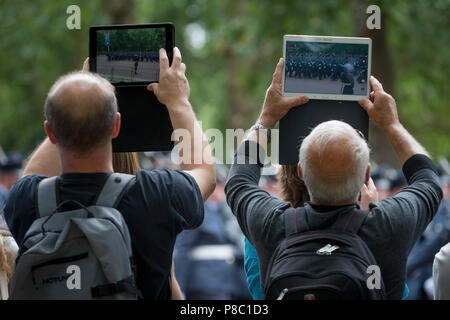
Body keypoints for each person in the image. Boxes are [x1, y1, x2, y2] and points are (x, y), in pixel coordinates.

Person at [3, 47, 216, 299]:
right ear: (116, 126)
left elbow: (32, 175)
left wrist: (78, 94)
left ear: (50, 132)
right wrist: (178, 101)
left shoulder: (26, 201)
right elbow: (204, 171)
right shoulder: (155, 195)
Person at [225, 57, 443, 299]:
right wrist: (391, 124)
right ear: (366, 174)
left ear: (301, 171)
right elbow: (428, 180)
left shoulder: (268, 227)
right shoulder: (389, 226)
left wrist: (266, 118)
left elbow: (239, 182)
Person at [174, 165, 251, 300]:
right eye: (217, 187)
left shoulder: (227, 211)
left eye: (223, 186)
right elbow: (182, 249)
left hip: (232, 283)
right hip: (206, 282)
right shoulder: (195, 212)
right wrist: (179, 287)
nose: (221, 191)